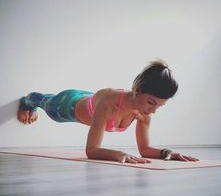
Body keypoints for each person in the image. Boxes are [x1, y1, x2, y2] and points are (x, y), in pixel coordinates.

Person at [17, 60, 199, 164]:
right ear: (137, 91)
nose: (153, 111)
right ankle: (29, 100)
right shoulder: (109, 104)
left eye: (159, 106)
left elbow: (144, 150)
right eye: (151, 103)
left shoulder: (144, 114)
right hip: (68, 105)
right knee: (44, 102)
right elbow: (91, 150)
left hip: (91, 99)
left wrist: (167, 153)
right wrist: (119, 155)